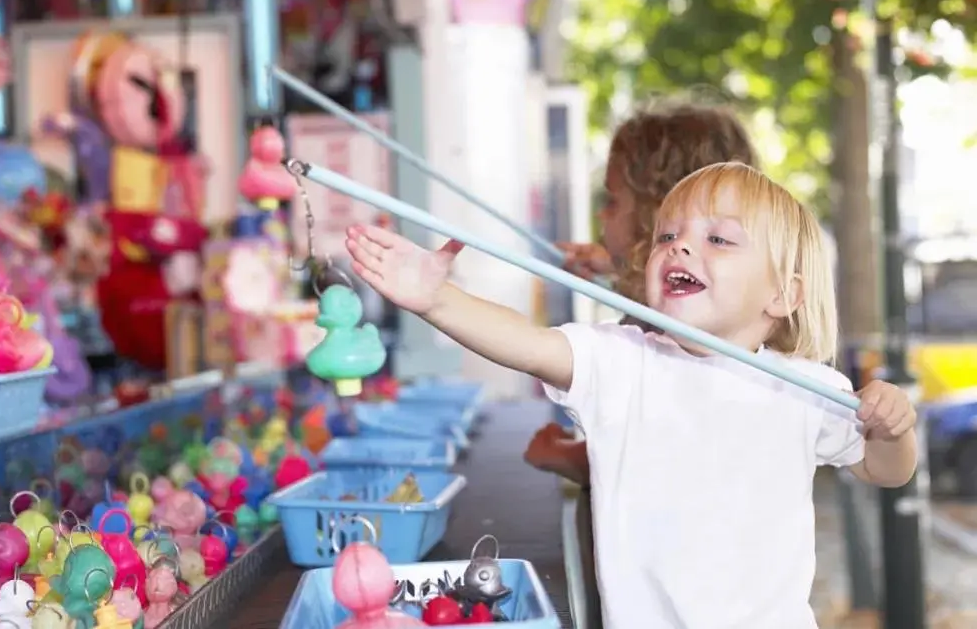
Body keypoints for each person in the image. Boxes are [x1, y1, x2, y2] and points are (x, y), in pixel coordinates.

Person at [344, 161, 917, 628]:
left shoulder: (809, 389)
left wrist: (895, 430)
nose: (680, 248)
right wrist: (436, 300)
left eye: (718, 239)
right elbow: (526, 343)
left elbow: (883, 470)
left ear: (782, 294)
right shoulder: (624, 359)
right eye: (669, 235)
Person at [526, 102, 760, 489]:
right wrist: (618, 267)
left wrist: (563, 456)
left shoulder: (668, 334)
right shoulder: (728, 315)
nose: (602, 217)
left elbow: (656, 465)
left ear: (655, 214)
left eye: (613, 201)